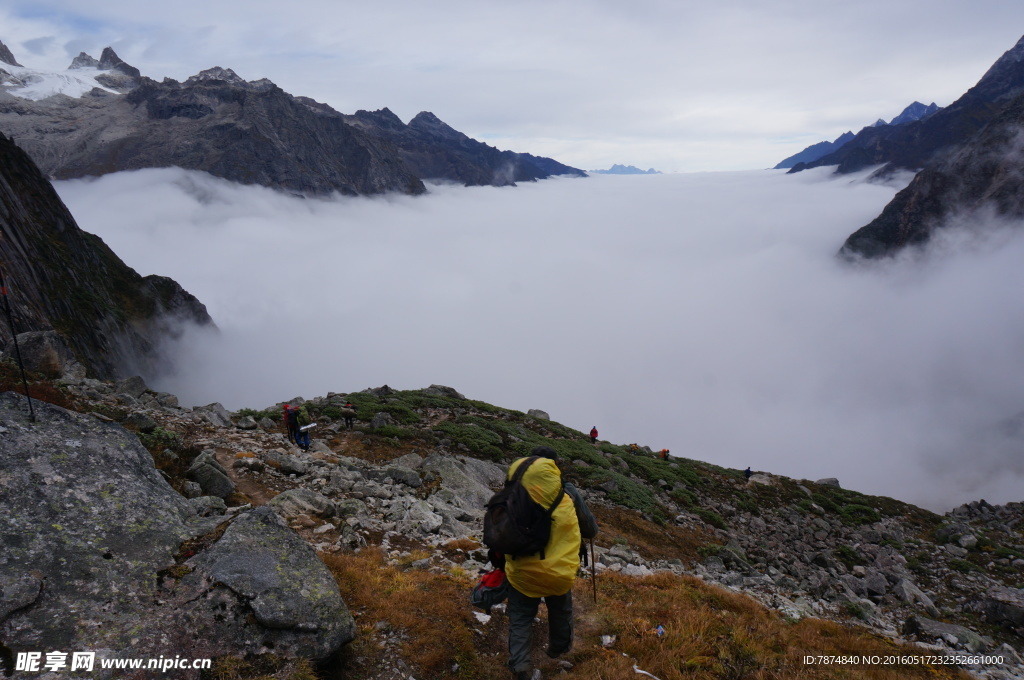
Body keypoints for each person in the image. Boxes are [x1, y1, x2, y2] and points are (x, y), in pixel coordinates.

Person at [502, 446, 598, 679]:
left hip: (521, 568)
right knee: (560, 609)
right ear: (553, 466)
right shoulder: (569, 492)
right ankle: (558, 649)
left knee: (521, 616)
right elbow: (590, 529)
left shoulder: (514, 491)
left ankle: (521, 667)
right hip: (558, 570)